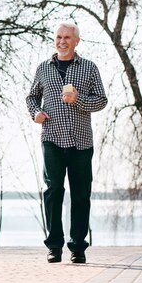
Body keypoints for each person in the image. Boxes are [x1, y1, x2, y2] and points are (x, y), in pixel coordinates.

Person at [26, 22, 107, 264]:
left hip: (81, 142)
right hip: (52, 138)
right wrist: (35, 113)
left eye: (67, 38)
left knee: (81, 195)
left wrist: (78, 99)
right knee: (53, 192)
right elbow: (32, 97)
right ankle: (54, 246)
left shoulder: (89, 68)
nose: (62, 41)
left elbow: (101, 100)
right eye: (59, 37)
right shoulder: (43, 69)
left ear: (76, 41)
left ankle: (78, 247)